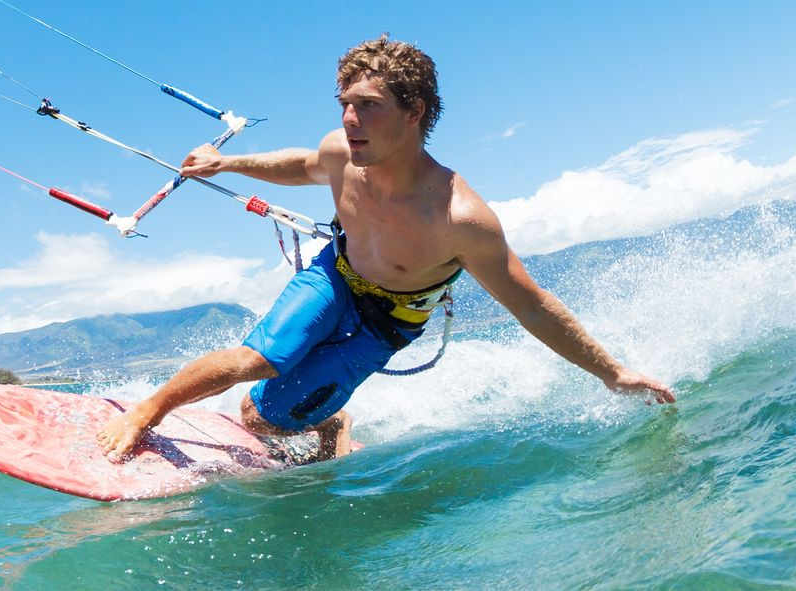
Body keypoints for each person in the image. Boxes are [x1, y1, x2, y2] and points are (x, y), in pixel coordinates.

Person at [97, 36, 675, 463]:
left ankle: (331, 421)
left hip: (388, 322)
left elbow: (529, 304)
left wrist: (613, 372)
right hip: (336, 276)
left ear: (414, 111)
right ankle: (150, 410)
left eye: (369, 105)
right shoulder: (342, 155)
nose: (350, 119)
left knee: (263, 418)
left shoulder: (460, 218)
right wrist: (228, 162)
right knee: (258, 361)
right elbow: (301, 164)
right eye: (345, 103)